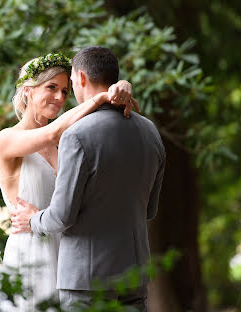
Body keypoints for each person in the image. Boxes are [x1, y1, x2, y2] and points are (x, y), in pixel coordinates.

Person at [11, 47, 166, 311]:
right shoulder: (150, 132)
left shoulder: (76, 135)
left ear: (81, 78)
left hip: (87, 279)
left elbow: (62, 216)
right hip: (134, 274)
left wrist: (32, 219)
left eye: (69, 83)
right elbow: (150, 209)